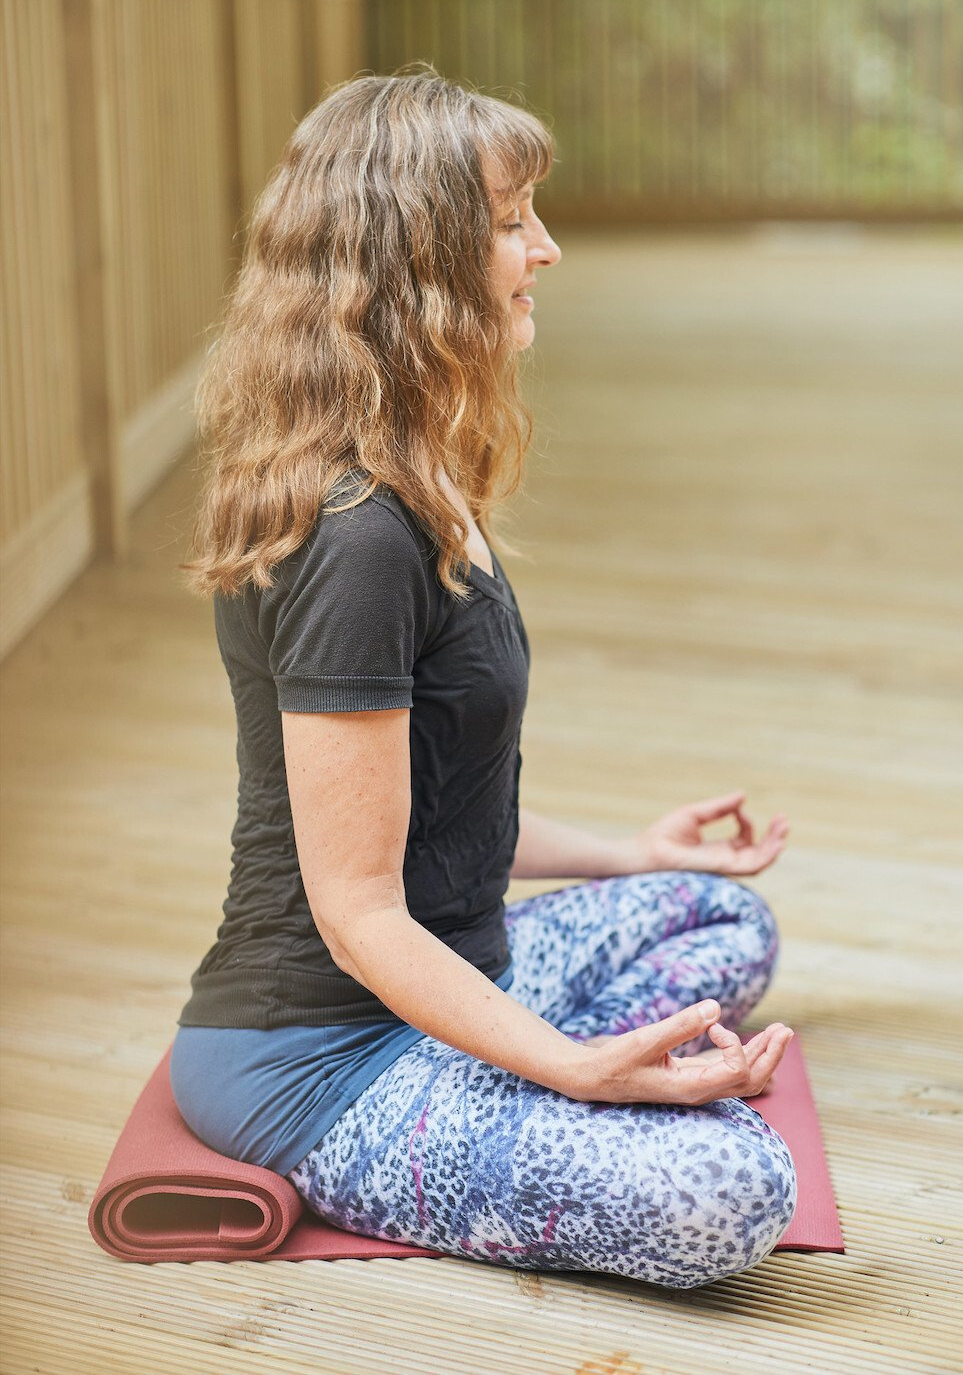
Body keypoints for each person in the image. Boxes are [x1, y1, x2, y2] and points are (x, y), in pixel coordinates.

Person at [172, 67, 797, 1290]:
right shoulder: (356, 535)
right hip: (323, 1054)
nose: (546, 249)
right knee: (732, 1191)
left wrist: (637, 852)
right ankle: (525, 1077)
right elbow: (358, 915)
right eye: (513, 223)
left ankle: (520, 1060)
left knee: (723, 913)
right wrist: (570, 1068)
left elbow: (437, 809)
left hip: (461, 970)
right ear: (417, 266)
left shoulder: (425, 475)